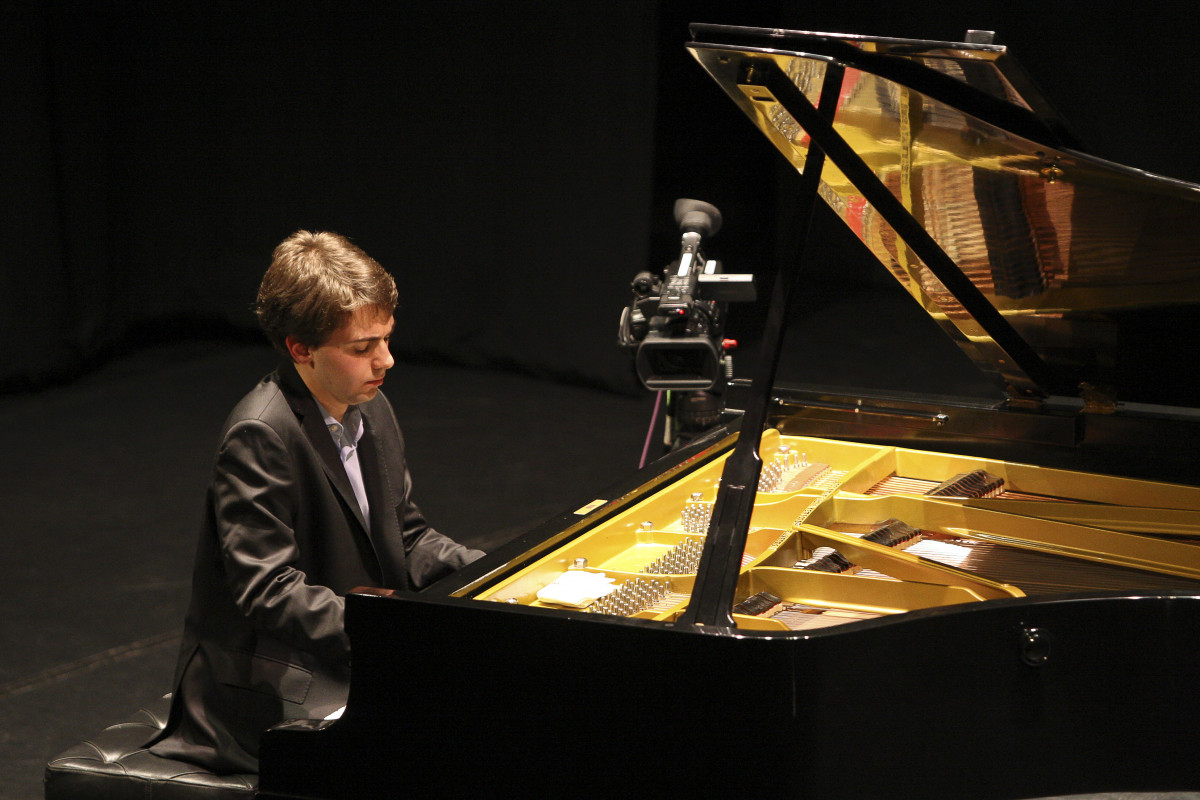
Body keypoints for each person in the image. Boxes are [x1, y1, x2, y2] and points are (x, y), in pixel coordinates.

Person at [147, 230, 484, 773]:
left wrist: (495, 576)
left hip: (344, 649)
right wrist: (384, 631)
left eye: (386, 339)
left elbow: (408, 536)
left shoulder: (373, 408)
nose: (386, 360)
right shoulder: (260, 433)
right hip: (268, 682)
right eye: (362, 348)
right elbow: (269, 590)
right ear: (301, 349)